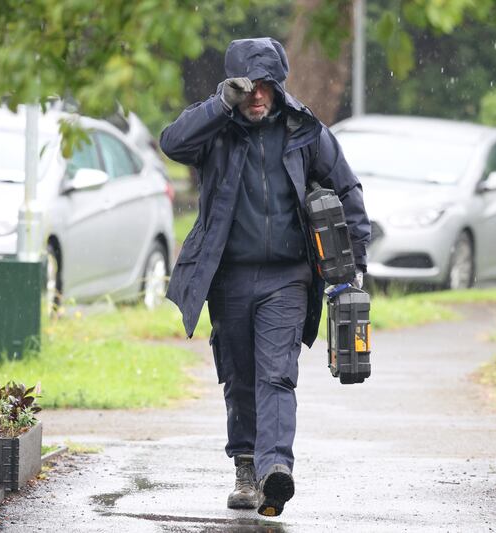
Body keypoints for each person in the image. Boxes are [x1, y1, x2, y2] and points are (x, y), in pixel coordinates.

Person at [160, 37, 370, 517]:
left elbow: (347, 189)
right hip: (229, 277)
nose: (257, 95)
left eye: (266, 86)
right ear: (234, 87)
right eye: (247, 87)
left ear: (278, 86)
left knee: (277, 373)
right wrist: (218, 105)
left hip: (288, 278)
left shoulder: (304, 131)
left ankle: (277, 471)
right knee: (239, 375)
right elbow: (172, 142)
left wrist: (353, 264)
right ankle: (246, 466)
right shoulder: (216, 129)